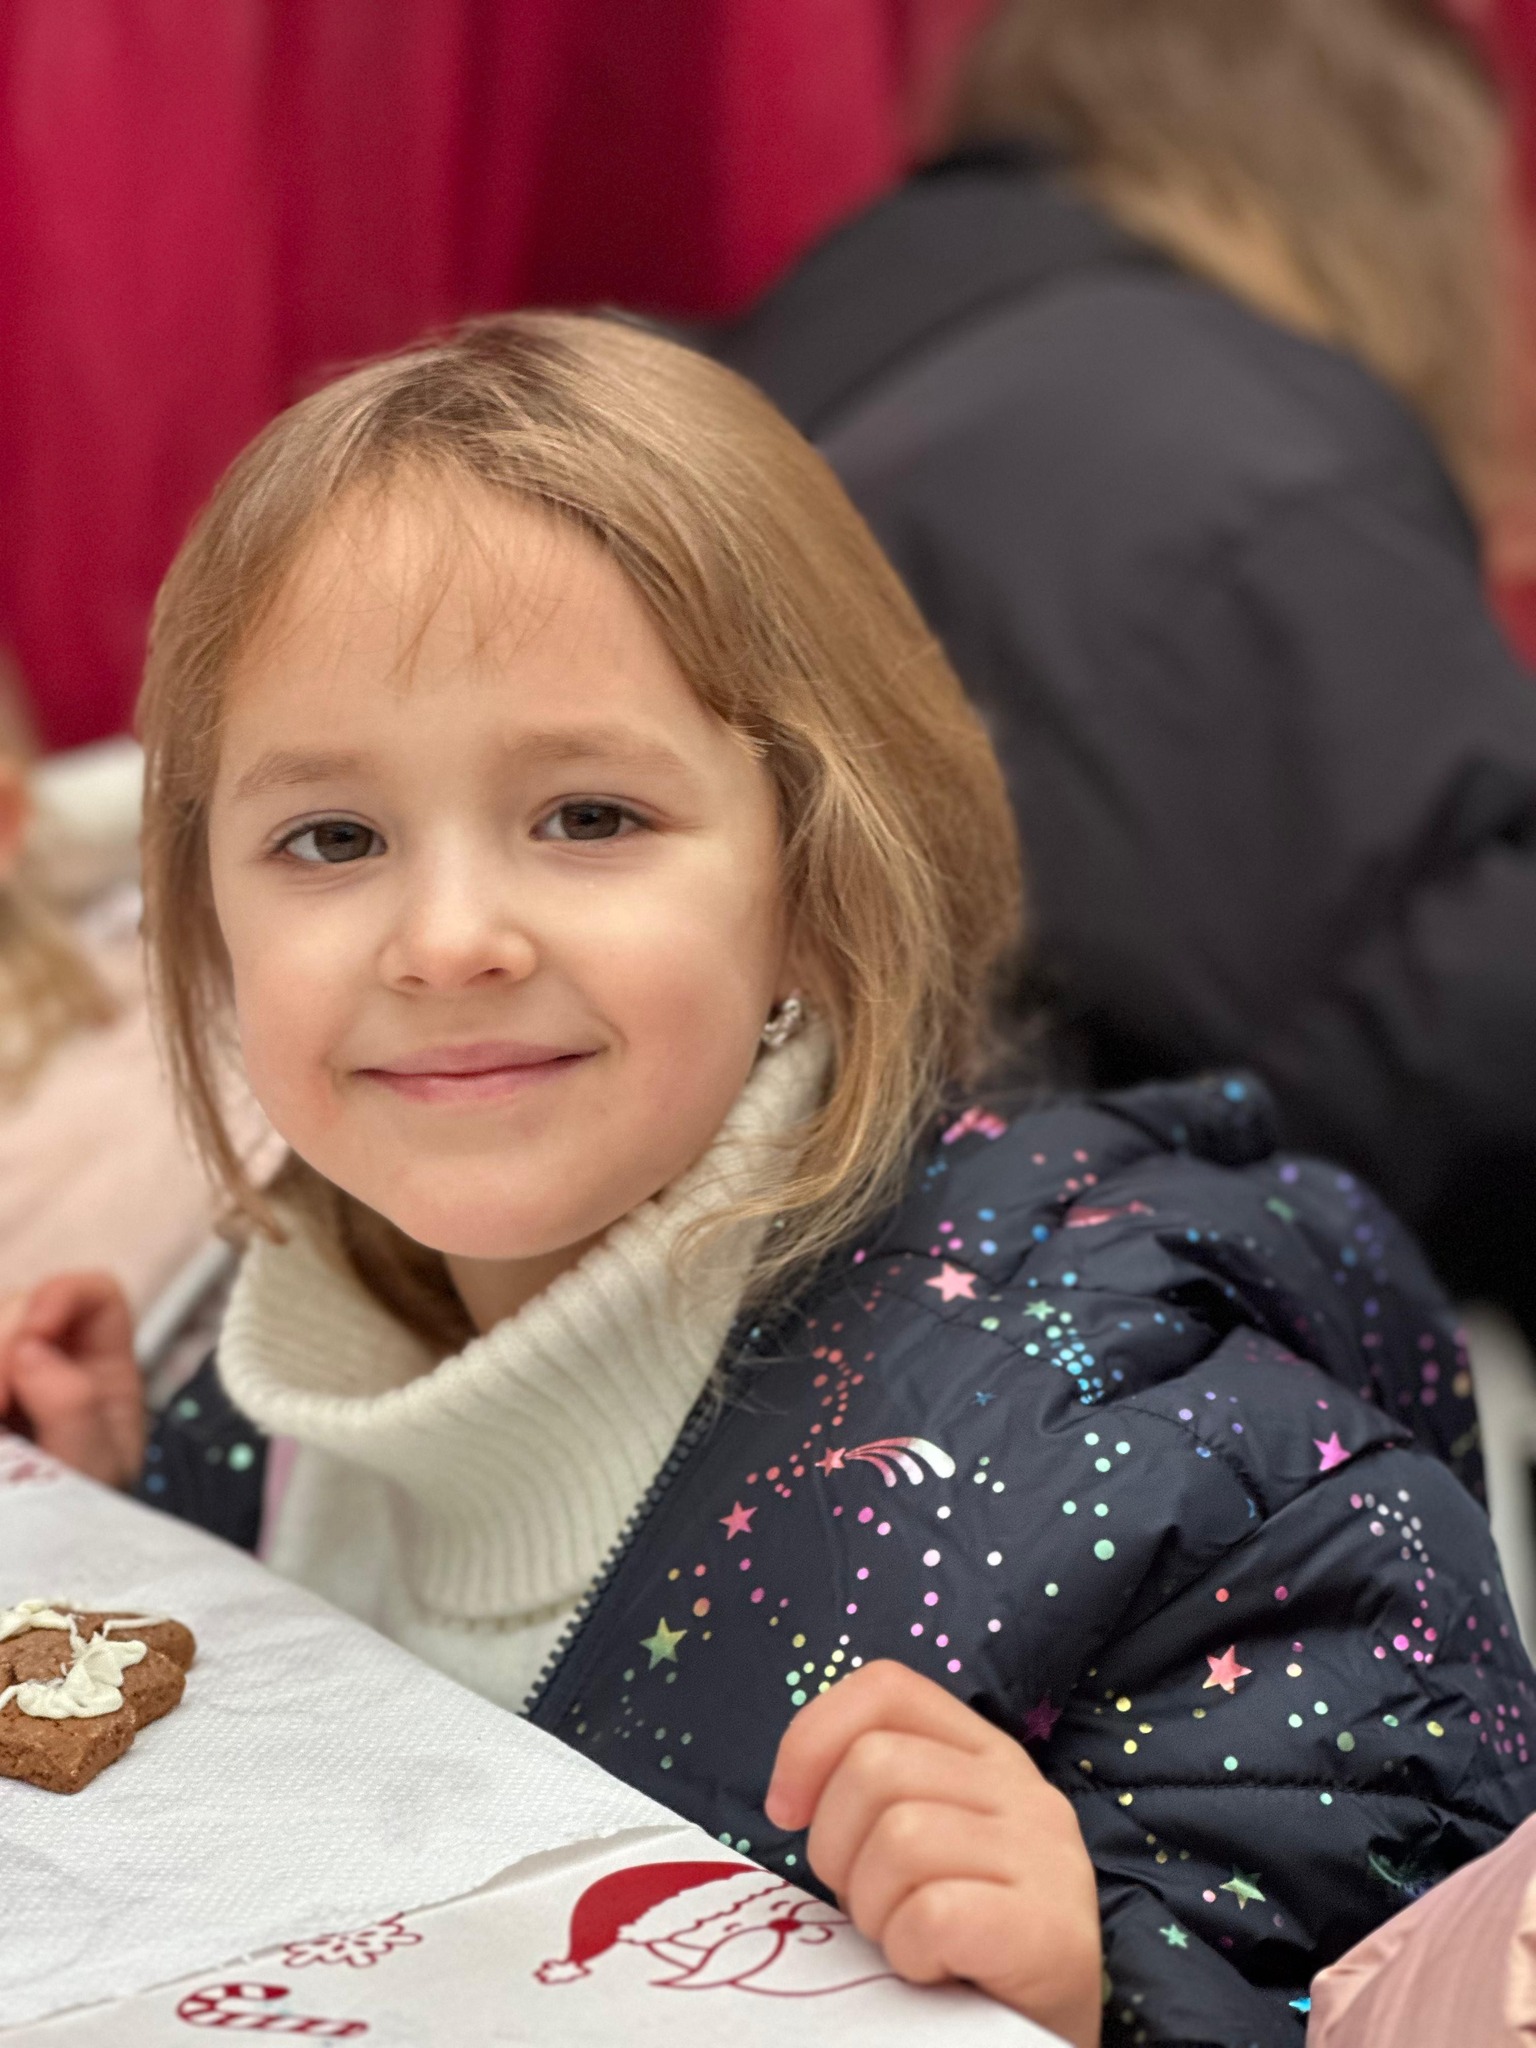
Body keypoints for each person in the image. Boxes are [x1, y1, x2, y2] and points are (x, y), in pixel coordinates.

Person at [0, 316, 1530, 2047]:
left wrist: (1107, 1984)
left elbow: (1417, 1969)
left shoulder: (1176, 1491)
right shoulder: (253, 1389)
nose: (445, 940)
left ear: (822, 878)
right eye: (330, 839)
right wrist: (130, 1523)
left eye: (589, 816)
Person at [714, 0, 1536, 1343]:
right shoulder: (1232, 452)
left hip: (807, 1347)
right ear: (1390, 198)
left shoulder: (797, 377)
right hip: (1045, 1376)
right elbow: (1482, 1011)